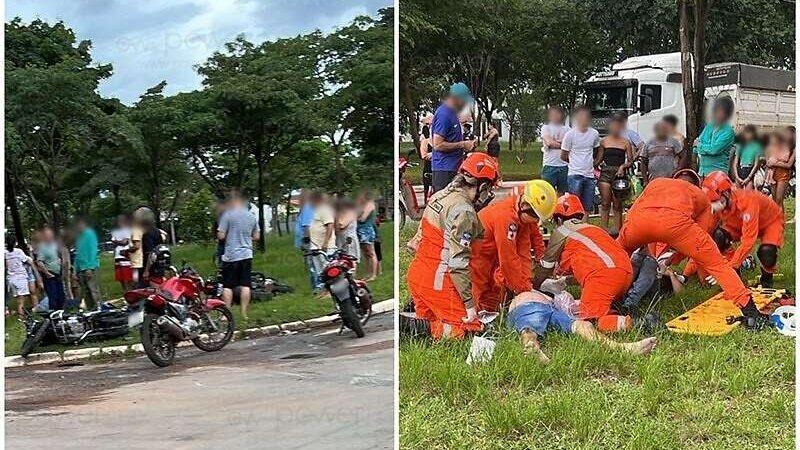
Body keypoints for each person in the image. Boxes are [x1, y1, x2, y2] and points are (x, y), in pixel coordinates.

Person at [617, 174, 768, 329]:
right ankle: (751, 314)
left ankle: (611, 300)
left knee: (619, 253)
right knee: (717, 265)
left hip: (640, 221)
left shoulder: (657, 182)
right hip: (677, 226)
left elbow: (634, 212)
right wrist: (678, 259)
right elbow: (698, 241)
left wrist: (628, 235)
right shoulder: (702, 199)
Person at [406, 152, 499, 339]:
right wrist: (469, 306)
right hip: (438, 281)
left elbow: (416, 241)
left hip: (417, 276)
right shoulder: (464, 212)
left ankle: (419, 326)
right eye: (488, 189)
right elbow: (457, 263)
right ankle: (410, 328)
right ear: (482, 186)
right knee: (469, 332)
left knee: (432, 322)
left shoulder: (440, 196)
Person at [533, 193, 634, 332]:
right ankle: (615, 313)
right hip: (626, 272)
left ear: (558, 218)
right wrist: (566, 281)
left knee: (589, 322)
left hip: (603, 277)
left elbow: (547, 265)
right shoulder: (594, 229)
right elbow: (592, 263)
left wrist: (534, 285)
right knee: (601, 307)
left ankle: (638, 323)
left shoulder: (562, 231)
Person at [470, 180, 553, 313]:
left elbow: (523, 253)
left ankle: (490, 313)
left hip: (492, 256)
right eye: (536, 217)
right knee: (478, 291)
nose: (537, 222)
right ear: (525, 205)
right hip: (478, 255)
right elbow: (508, 259)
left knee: (493, 294)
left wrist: (526, 284)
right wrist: (522, 288)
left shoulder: (523, 219)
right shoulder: (505, 217)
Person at [507, 290, 657, 363]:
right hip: (528, 306)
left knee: (582, 325)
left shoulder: (539, 292)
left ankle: (623, 348)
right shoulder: (522, 292)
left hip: (549, 310)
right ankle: (531, 346)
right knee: (529, 329)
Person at [702, 171, 784, 288]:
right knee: (719, 236)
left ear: (726, 194)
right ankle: (736, 281)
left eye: (715, 201)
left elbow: (748, 242)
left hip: (770, 222)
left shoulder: (748, 202)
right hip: (740, 223)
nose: (713, 206)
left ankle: (766, 279)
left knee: (766, 251)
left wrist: (729, 267)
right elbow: (706, 232)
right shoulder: (720, 205)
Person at [217, 190, 260, 321]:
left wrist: (226, 235)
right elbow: (257, 236)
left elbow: (221, 235)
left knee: (228, 286)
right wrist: (246, 238)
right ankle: (244, 313)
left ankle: (226, 314)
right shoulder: (251, 216)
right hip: (247, 254)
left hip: (231, 255)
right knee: (246, 285)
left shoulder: (228, 215)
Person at [430, 82, 478, 192]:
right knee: (445, 201)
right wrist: (462, 144)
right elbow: (437, 145)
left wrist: (468, 145)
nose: (465, 104)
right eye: (464, 101)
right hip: (444, 170)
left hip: (453, 167)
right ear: (456, 98)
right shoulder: (444, 114)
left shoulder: (452, 114)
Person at [595, 113, 635, 232]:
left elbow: (630, 160)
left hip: (619, 175)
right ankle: (603, 229)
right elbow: (598, 159)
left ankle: (618, 230)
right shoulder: (604, 141)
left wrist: (623, 166)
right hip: (606, 173)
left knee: (617, 204)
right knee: (605, 202)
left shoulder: (625, 142)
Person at [561, 106, 600, 220]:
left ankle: (585, 226)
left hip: (589, 175)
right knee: (574, 205)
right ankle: (573, 226)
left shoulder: (594, 134)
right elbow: (563, 155)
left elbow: (596, 150)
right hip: (574, 174)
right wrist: (573, 162)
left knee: (587, 206)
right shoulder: (570, 135)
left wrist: (594, 162)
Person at [694, 96, 736, 177]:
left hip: (718, 175)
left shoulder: (728, 132)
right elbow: (695, 148)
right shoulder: (709, 126)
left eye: (721, 111)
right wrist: (701, 147)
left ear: (727, 114)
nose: (718, 114)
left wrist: (699, 146)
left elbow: (714, 150)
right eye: (716, 110)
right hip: (702, 172)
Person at [307, 192, 336, 294]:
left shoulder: (324, 209)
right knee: (319, 271)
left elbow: (330, 225)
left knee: (328, 269)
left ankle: (330, 291)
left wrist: (326, 242)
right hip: (315, 246)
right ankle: (324, 290)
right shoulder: (314, 211)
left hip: (325, 246)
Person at [642, 120, 684, 184]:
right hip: (653, 181)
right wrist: (645, 180)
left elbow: (683, 156)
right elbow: (643, 162)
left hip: (670, 179)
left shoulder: (673, 142)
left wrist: (678, 170)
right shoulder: (648, 143)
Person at [73, 216, 101, 310]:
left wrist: (89, 267)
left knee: (93, 290)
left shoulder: (89, 234)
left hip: (89, 267)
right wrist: (75, 270)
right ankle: (91, 310)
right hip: (80, 268)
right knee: (85, 291)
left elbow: (93, 251)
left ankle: (99, 309)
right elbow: (78, 254)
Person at [540, 106, 570, 194]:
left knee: (563, 194)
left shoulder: (568, 129)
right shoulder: (546, 128)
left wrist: (554, 142)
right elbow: (549, 143)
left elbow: (571, 144)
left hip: (564, 166)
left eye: (558, 114)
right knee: (547, 193)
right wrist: (563, 144)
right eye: (553, 114)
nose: (555, 116)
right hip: (549, 165)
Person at [35, 227, 66, 311]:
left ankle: (60, 312)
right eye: (48, 235)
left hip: (58, 273)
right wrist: (47, 273)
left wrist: (59, 260)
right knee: (53, 296)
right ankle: (52, 312)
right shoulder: (42, 247)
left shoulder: (54, 245)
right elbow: (39, 262)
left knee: (61, 296)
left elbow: (56, 256)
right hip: (50, 275)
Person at [764, 131, 794, 209]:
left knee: (779, 200)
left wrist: (775, 163)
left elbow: (789, 165)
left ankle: (780, 216)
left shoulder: (792, 149)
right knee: (774, 200)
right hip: (772, 173)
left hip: (783, 174)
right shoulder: (774, 146)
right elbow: (768, 161)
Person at [6, 235, 34, 315]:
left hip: (11, 278)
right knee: (21, 301)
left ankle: (20, 314)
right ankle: (21, 317)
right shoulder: (18, 251)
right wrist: (30, 253)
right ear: (15, 243)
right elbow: (29, 261)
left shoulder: (5, 253)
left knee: (19, 299)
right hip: (20, 278)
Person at [295, 190, 317, 290]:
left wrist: (306, 240)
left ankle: (316, 286)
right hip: (307, 241)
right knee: (311, 264)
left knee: (312, 264)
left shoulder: (307, 207)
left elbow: (307, 225)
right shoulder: (306, 207)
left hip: (308, 242)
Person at [732, 125, 763, 189]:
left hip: (750, 170)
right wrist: (737, 177)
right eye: (746, 133)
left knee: (748, 194)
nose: (748, 135)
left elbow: (756, 164)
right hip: (740, 170)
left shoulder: (757, 146)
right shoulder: (740, 145)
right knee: (738, 194)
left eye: (749, 133)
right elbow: (735, 163)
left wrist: (749, 178)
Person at [356, 192, 379, 281]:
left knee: (371, 253)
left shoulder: (369, 204)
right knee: (366, 254)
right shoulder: (363, 205)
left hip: (366, 230)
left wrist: (354, 217)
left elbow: (363, 218)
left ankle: (373, 274)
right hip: (361, 231)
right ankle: (368, 274)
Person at [111, 214, 134, 293]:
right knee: (121, 279)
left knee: (128, 278)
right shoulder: (115, 232)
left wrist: (116, 242)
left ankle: (131, 293)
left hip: (125, 255)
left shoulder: (127, 230)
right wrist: (118, 242)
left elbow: (125, 242)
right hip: (117, 257)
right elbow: (113, 243)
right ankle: (125, 293)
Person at [335, 197, 360, 263]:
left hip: (349, 239)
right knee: (341, 259)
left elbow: (342, 225)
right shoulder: (342, 214)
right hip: (341, 239)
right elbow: (337, 228)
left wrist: (337, 218)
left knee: (350, 259)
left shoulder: (350, 213)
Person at [130, 208, 147, 287]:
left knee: (136, 280)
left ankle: (136, 289)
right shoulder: (144, 229)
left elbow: (137, 245)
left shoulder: (136, 229)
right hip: (143, 257)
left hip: (137, 259)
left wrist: (127, 250)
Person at [419, 115, 434, 201]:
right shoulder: (425, 142)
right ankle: (425, 200)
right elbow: (424, 155)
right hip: (428, 166)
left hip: (438, 166)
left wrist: (433, 155)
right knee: (427, 185)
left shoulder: (439, 141)